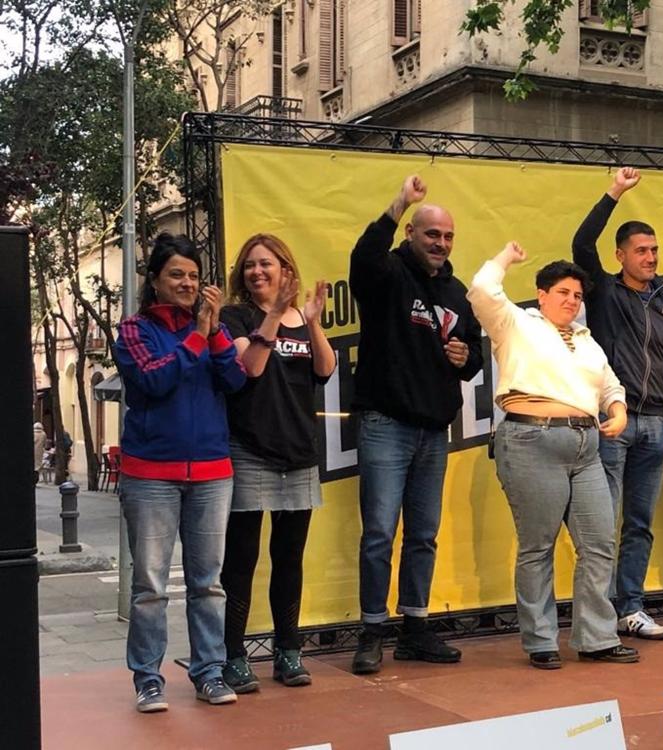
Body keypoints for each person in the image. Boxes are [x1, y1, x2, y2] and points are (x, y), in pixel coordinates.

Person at [468, 241, 639, 669]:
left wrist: (618, 410)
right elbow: (482, 289)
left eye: (577, 295)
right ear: (541, 295)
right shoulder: (516, 323)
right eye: (563, 292)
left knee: (599, 543)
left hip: (586, 446)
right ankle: (541, 640)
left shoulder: (586, 340)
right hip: (532, 440)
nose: (571, 300)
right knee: (538, 546)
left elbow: (610, 384)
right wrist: (505, 257)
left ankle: (597, 638)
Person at [349, 175, 483, 675]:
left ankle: (415, 627)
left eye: (448, 236)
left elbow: (474, 355)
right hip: (385, 423)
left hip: (433, 431)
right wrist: (400, 201)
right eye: (432, 234)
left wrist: (467, 357)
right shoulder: (387, 273)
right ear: (410, 233)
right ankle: (371, 630)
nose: (441, 243)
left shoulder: (457, 293)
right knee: (379, 534)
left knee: (423, 534)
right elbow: (362, 256)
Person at [114, 233, 246, 712]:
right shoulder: (134, 330)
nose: (188, 283)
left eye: (194, 275)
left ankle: (209, 672)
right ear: (155, 280)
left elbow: (235, 379)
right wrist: (197, 336)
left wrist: (215, 333)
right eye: (176, 274)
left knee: (208, 582)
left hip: (212, 471)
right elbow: (153, 378)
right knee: (150, 586)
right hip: (150, 474)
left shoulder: (211, 329)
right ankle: (148, 679)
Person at [571, 167, 663, 641]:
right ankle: (599, 613)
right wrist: (614, 193)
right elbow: (581, 244)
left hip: (657, 426)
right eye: (641, 250)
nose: (650, 257)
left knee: (640, 523)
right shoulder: (606, 291)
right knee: (603, 523)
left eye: (654, 250)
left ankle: (631, 608)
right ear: (620, 256)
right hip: (614, 421)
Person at [219, 234, 337, 693]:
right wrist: (273, 315)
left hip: (298, 452)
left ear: (285, 269)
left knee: (289, 558)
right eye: (250, 265)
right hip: (250, 449)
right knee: (241, 560)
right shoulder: (236, 317)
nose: (257, 272)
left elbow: (325, 370)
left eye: (266, 263)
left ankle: (289, 650)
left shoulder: (301, 320)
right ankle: (233, 655)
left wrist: (313, 323)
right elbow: (250, 367)